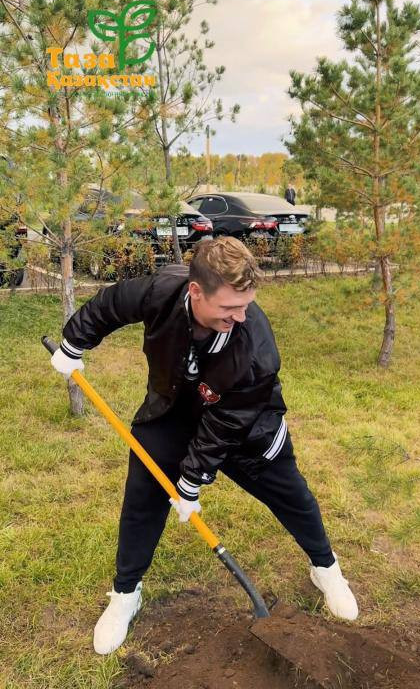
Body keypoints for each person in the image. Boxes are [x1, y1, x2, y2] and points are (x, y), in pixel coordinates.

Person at [51, 237, 358, 655]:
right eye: (230, 307)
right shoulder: (163, 290)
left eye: (246, 305)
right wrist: (74, 343)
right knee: (142, 500)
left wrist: (191, 481)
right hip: (172, 410)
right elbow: (113, 303)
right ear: (195, 291)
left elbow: (227, 423)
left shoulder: (255, 348)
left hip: (246, 429)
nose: (241, 315)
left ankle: (326, 568)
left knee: (293, 497)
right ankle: (126, 593)